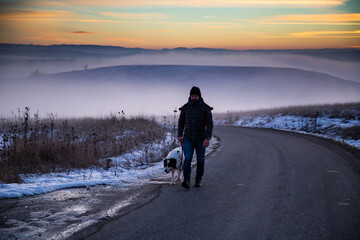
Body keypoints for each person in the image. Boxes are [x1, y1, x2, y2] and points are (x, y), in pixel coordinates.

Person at [177, 86, 213, 189]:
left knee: (200, 160)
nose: (194, 97)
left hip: (201, 138)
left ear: (199, 96)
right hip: (188, 137)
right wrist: (180, 135)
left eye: (196, 96)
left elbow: (209, 124)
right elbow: (181, 122)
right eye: (192, 96)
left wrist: (207, 138)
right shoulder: (185, 108)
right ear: (190, 96)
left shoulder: (205, 109)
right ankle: (186, 180)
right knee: (187, 158)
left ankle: (198, 180)